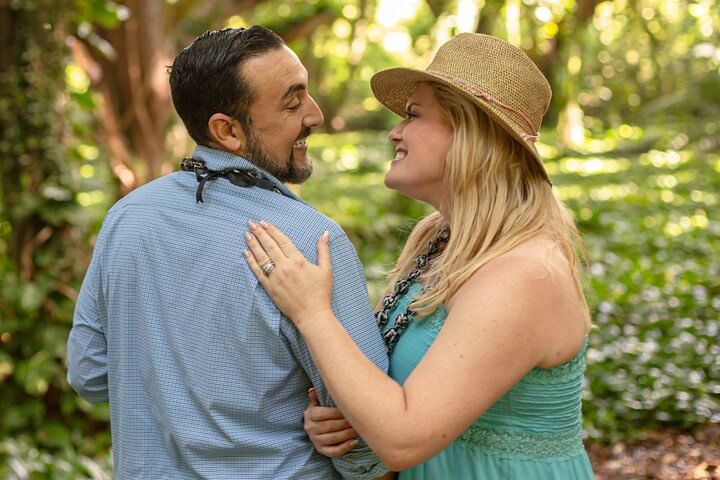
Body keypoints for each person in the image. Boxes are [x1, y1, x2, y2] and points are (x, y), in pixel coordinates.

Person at [244, 33, 595, 479]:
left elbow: (404, 438)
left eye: (413, 115)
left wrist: (312, 313)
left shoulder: (525, 273)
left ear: (470, 134)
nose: (395, 132)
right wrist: (350, 420)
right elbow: (411, 403)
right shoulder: (437, 237)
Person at [66, 26, 390, 479]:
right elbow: (371, 444)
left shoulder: (126, 218)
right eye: (292, 103)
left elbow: (89, 375)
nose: (315, 115)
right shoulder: (311, 241)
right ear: (227, 131)